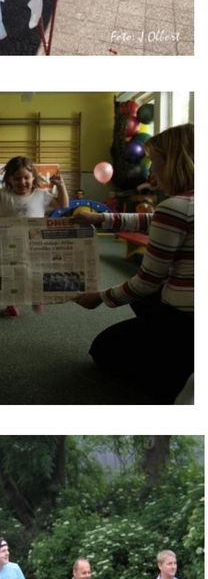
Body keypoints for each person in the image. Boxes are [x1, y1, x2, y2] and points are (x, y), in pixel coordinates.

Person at [66, 123, 193, 402]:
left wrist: (99, 297)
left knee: (103, 350)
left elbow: (147, 281)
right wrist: (101, 219)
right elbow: (153, 220)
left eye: (156, 163)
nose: (152, 171)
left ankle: (178, 374)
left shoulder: (177, 207)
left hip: (188, 321)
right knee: (141, 302)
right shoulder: (187, 204)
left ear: (174, 163)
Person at [0, 155, 69, 317]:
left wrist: (61, 185)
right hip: (8, 241)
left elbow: (64, 204)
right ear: (9, 179)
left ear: (34, 178)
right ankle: (11, 303)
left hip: (34, 242)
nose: (22, 182)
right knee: (10, 272)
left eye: (26, 178)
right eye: (17, 179)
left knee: (34, 271)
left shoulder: (41, 194)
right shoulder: (3, 194)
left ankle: (35, 297)